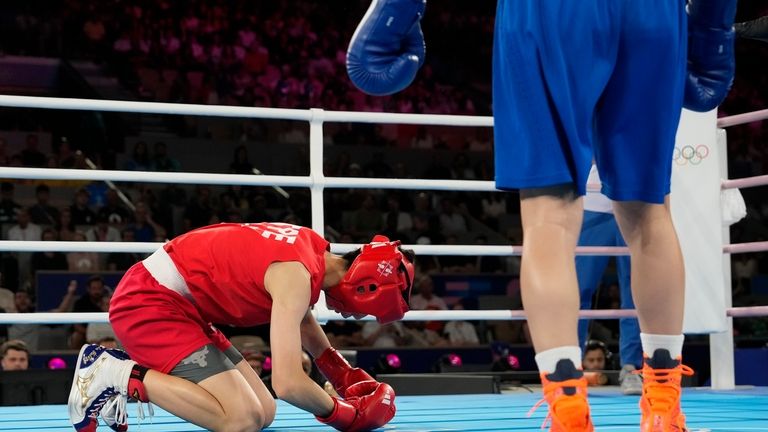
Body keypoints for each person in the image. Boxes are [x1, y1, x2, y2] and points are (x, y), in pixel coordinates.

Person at [345, 0, 735, 430]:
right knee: (649, 212)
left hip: (550, 13)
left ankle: (568, 410)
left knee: (549, 217)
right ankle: (663, 407)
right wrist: (712, 28)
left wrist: (394, 10)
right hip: (653, 14)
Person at [68, 222, 414, 432]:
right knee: (239, 421)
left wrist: (341, 374)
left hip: (181, 306)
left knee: (264, 412)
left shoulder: (310, 250)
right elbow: (289, 383)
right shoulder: (295, 275)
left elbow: (300, 315)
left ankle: (118, 377)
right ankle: (112, 373)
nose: (354, 317)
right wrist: (346, 416)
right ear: (366, 288)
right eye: (364, 311)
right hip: (149, 303)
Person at [576, 165, 642, 395]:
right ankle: (572, 368)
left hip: (633, 198)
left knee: (634, 290)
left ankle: (631, 368)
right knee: (579, 289)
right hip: (592, 201)